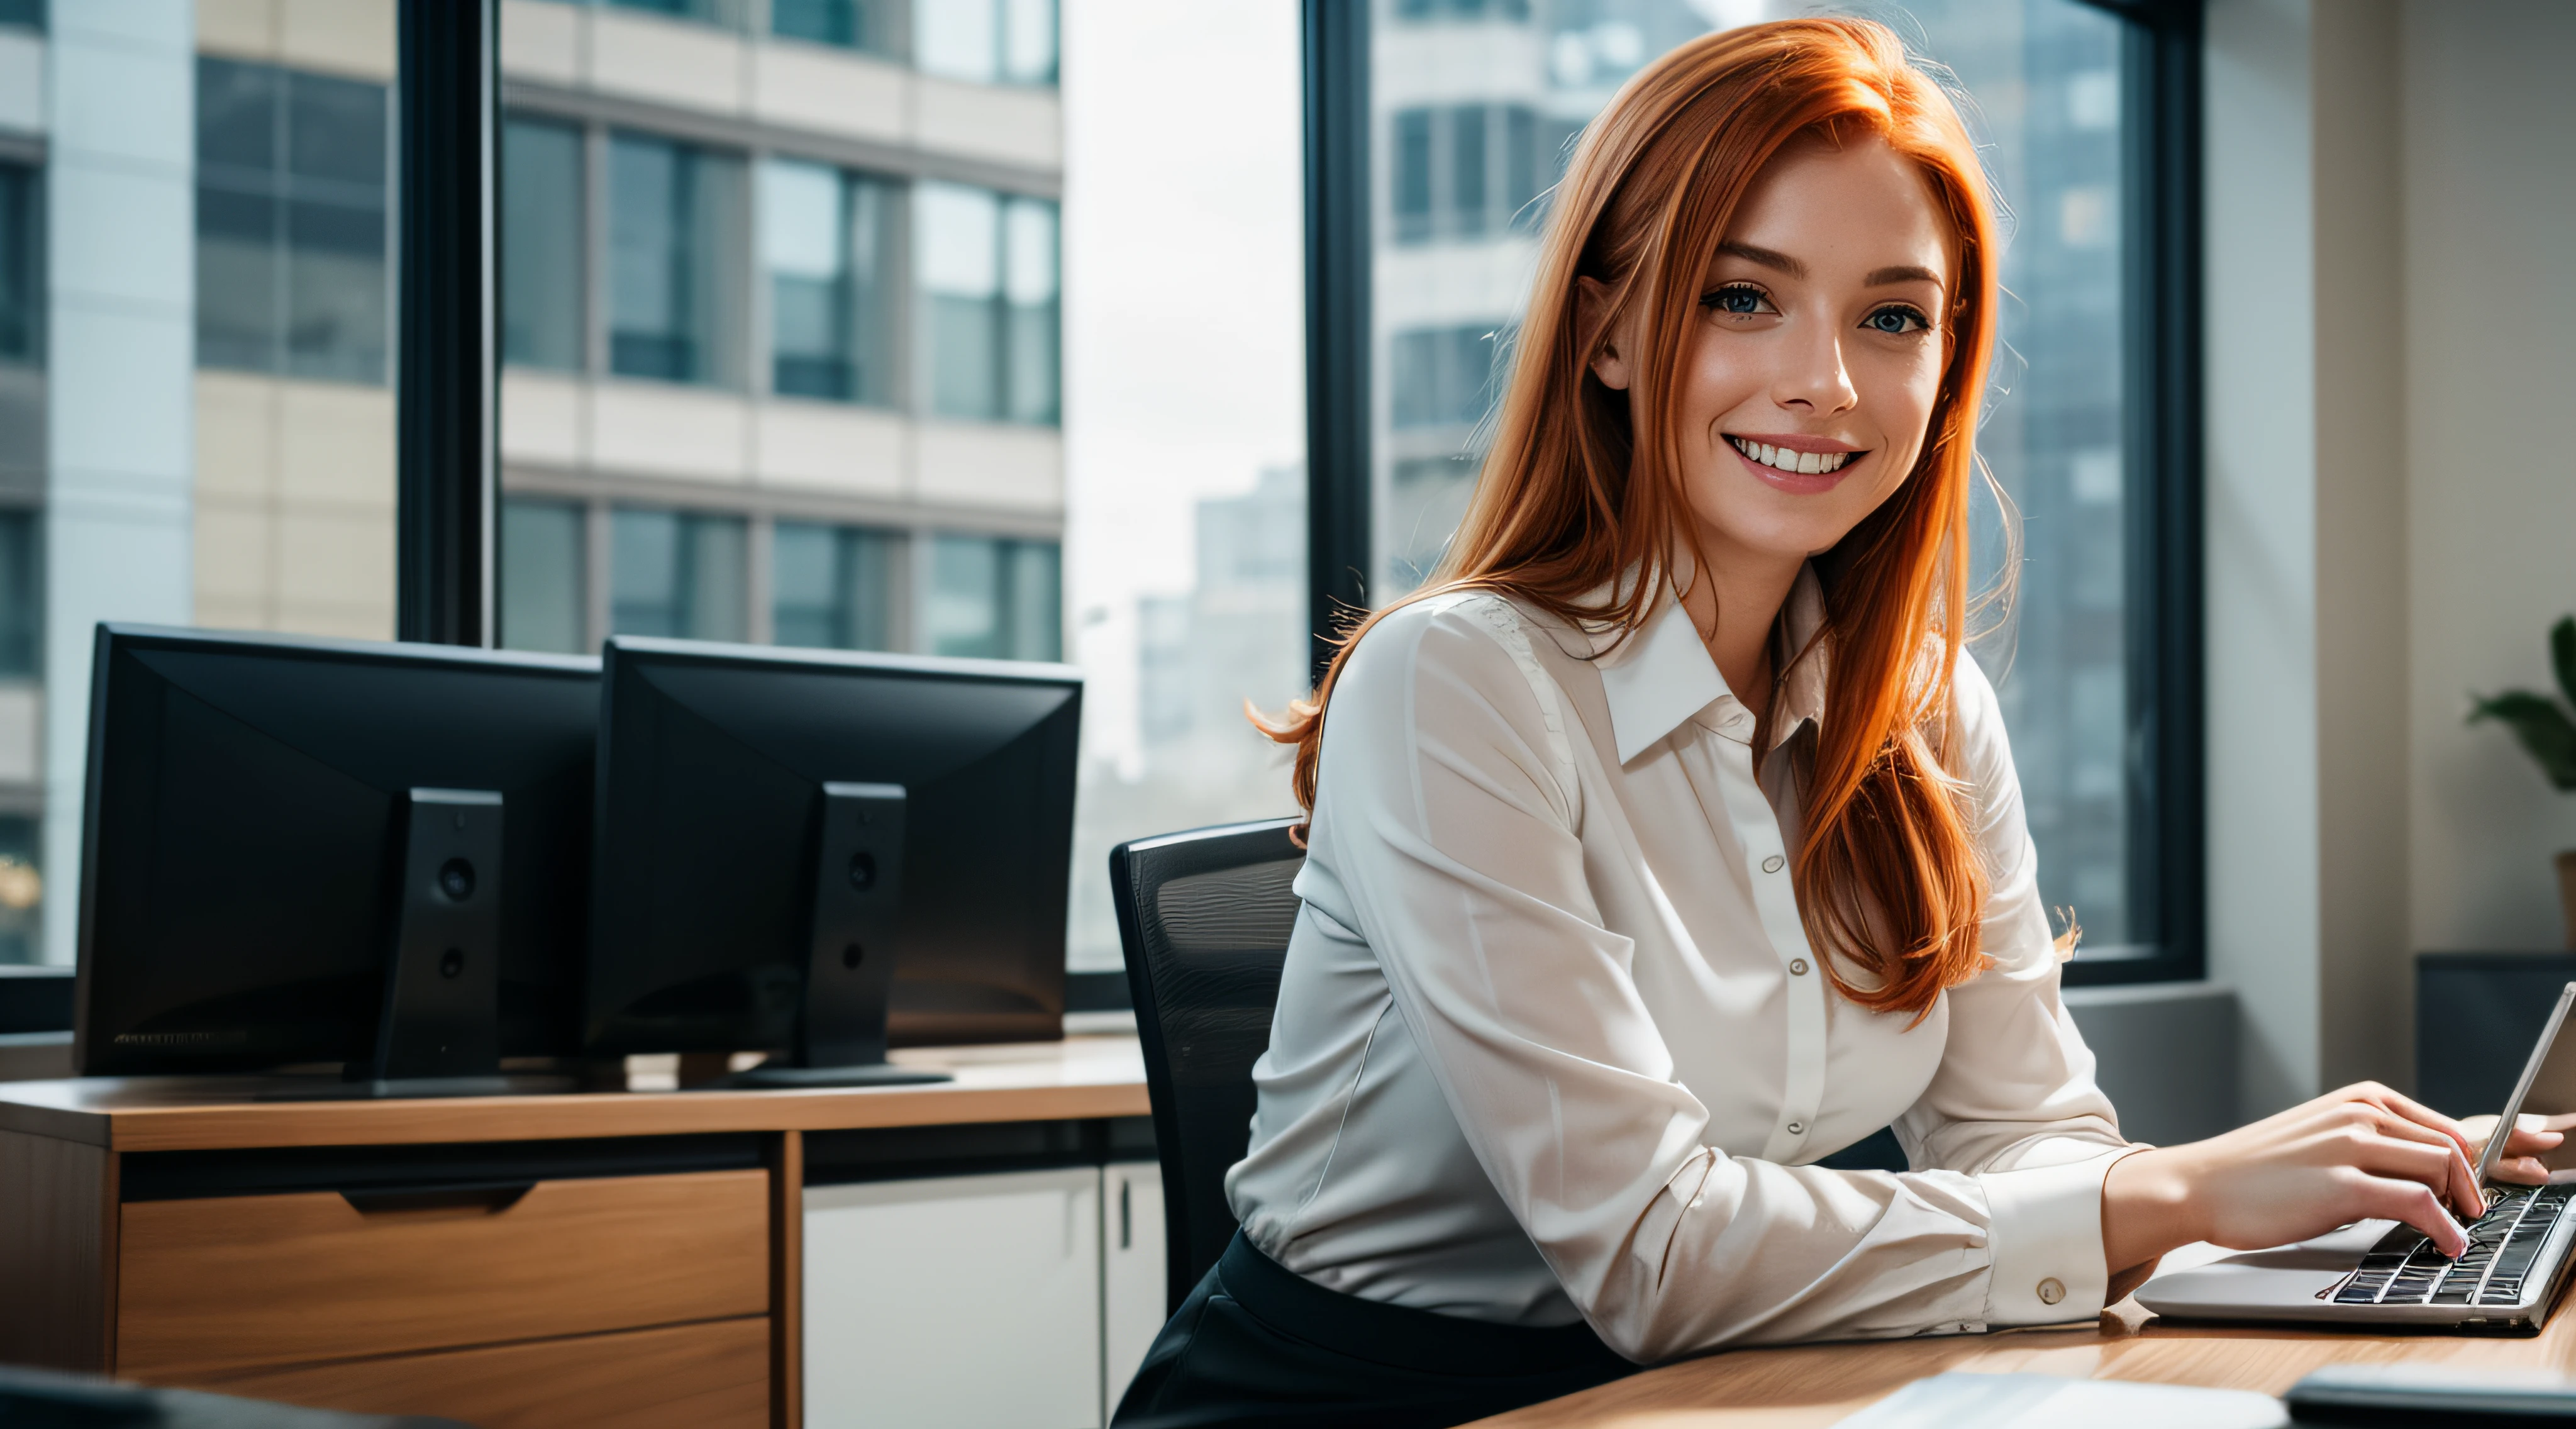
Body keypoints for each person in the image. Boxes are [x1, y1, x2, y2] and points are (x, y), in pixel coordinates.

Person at [1113, 18, 2558, 1429]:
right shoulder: (1454, 684)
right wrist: (2169, 1191)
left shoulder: (1924, 709)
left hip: (1739, 1378)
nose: (1828, 381)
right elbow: (1650, 1250)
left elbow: (2024, 1136)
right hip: (1374, 1396)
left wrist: (2315, 1205)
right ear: (1608, 331)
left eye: (1891, 316)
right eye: (1743, 298)